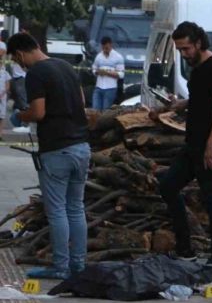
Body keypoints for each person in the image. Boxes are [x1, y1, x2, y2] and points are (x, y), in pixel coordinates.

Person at [7, 33, 90, 280]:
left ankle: (61, 267)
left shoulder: (36, 74)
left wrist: (21, 115)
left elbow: (39, 112)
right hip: (81, 146)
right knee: (76, 208)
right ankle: (79, 265)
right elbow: (82, 102)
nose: (18, 63)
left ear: (20, 53)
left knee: (57, 211)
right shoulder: (65, 67)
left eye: (15, 58)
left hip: (56, 150)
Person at [154, 22, 212, 265]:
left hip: (210, 147)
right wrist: (182, 104)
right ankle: (185, 248)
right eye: (179, 50)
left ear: (199, 43)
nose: (184, 54)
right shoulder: (197, 69)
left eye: (186, 49)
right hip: (193, 145)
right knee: (168, 186)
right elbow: (203, 97)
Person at [91, 36, 125, 110]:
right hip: (98, 87)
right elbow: (94, 69)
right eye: (103, 48)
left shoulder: (118, 57)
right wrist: (97, 72)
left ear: (110, 45)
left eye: (106, 48)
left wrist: (107, 73)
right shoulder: (99, 56)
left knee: (105, 110)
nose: (105, 50)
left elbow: (121, 74)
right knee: (95, 110)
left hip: (110, 88)